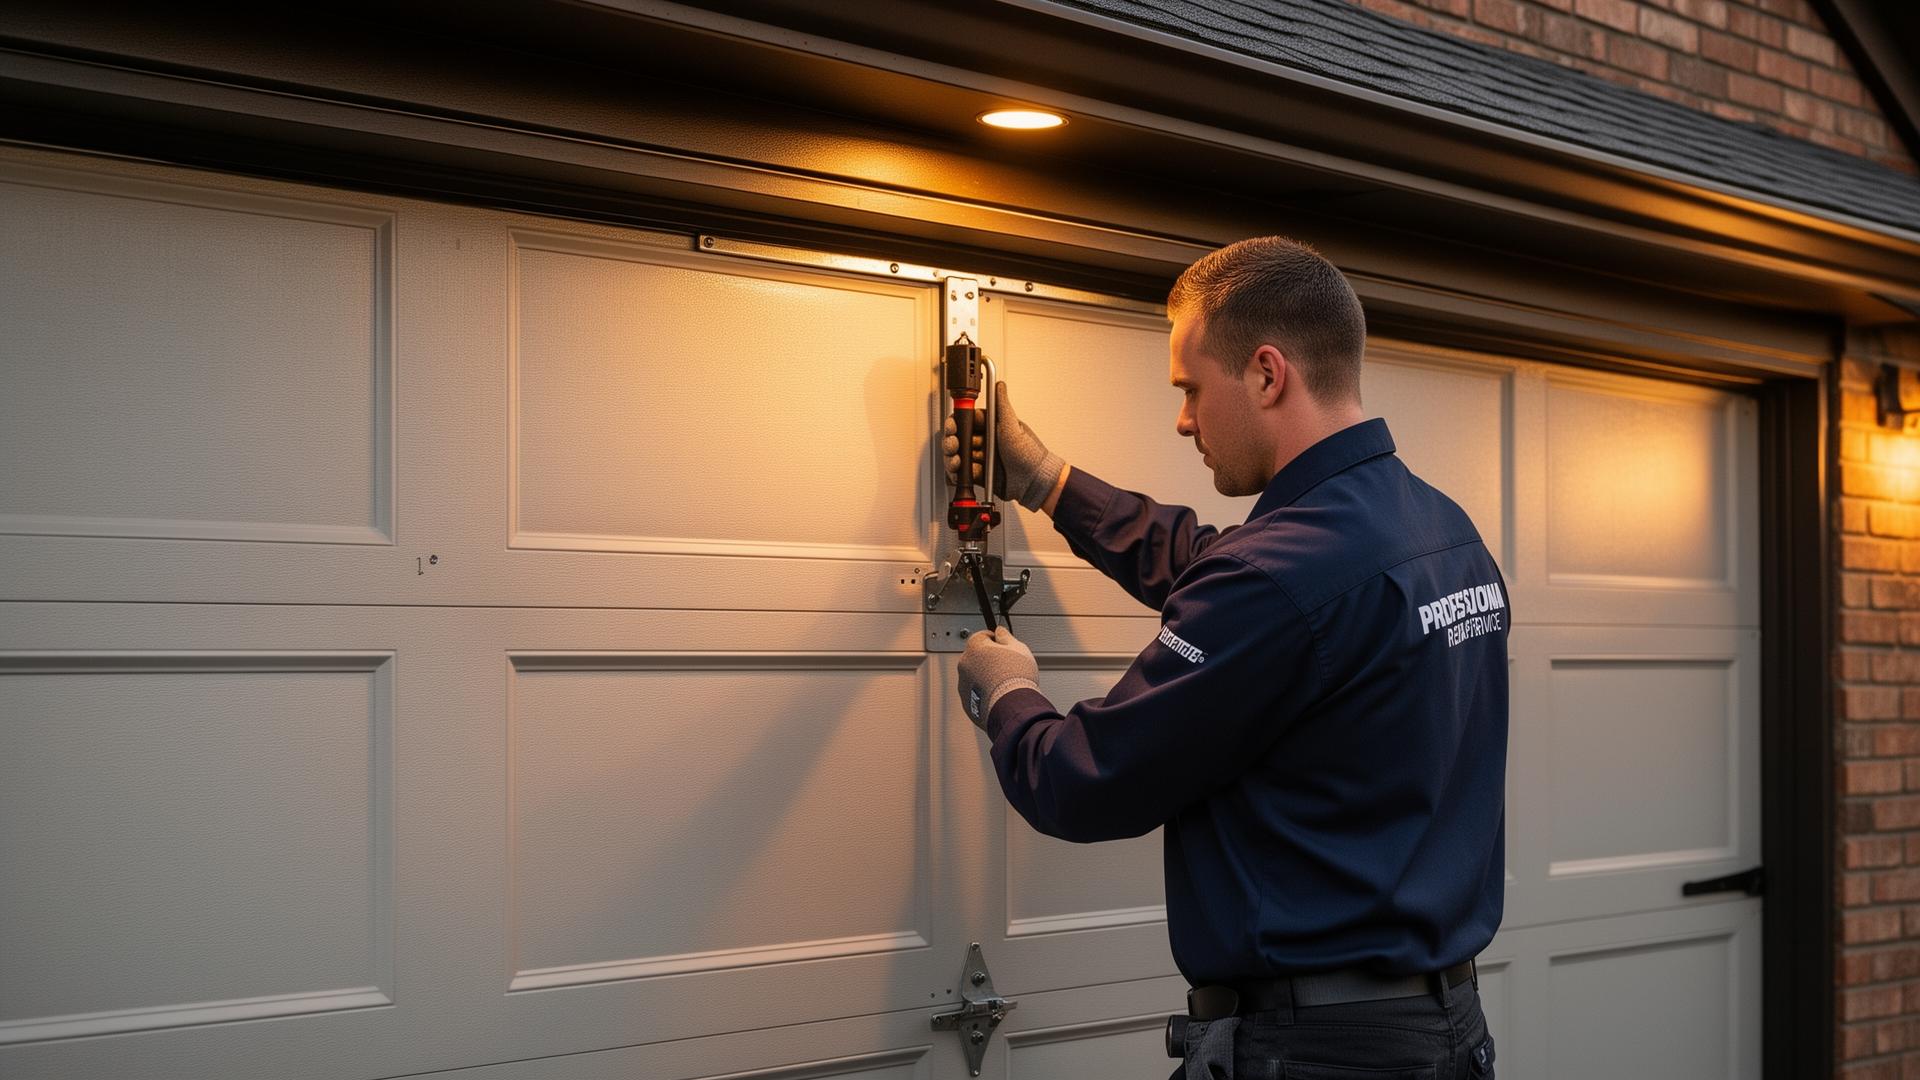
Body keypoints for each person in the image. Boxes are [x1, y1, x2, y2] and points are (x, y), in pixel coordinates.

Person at [947, 236, 1506, 1080]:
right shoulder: (1439, 529)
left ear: (1268, 373)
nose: (1183, 420)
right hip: (1443, 1034)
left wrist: (1010, 693)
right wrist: (1050, 480)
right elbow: (1233, 580)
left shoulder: (1282, 576)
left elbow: (1085, 780)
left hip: (1321, 1053)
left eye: (1190, 389)